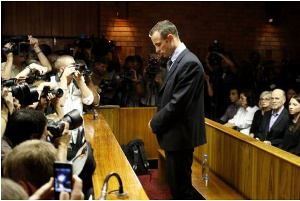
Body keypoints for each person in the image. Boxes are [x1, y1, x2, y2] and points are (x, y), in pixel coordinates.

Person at [148, 20, 206, 199]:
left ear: (170, 38)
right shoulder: (175, 60)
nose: (157, 50)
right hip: (175, 134)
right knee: (176, 186)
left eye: (158, 44)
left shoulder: (190, 63)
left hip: (181, 135)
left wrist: (155, 122)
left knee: (181, 189)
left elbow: (177, 104)